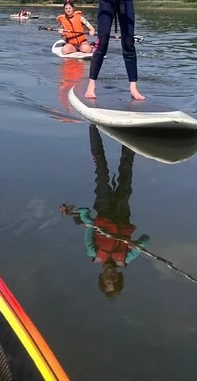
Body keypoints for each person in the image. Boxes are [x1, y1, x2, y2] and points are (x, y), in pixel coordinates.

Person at [60, 126, 149, 299]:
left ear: (102, 277)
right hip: (122, 210)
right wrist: (137, 244)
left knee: (101, 170)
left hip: (103, 208)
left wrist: (77, 211)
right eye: (114, 280)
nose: (111, 277)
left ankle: (92, 126)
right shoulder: (127, 257)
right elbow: (146, 239)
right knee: (126, 169)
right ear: (119, 277)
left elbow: (88, 220)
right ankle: (130, 129)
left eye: (107, 280)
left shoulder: (93, 252)